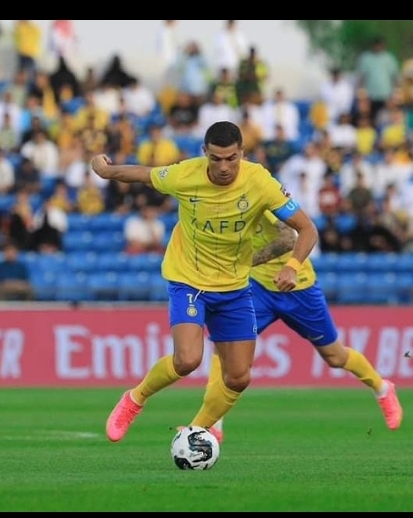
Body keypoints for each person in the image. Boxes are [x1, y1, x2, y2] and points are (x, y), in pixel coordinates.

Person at [88, 120, 319, 443]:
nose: (224, 166)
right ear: (204, 154)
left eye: (232, 158)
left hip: (235, 287)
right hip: (189, 280)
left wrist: (293, 266)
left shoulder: (261, 182)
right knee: (187, 360)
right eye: (216, 158)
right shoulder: (185, 174)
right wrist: (105, 170)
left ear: (242, 153)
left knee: (238, 377)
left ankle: (197, 430)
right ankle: (134, 399)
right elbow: (143, 173)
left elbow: (307, 228)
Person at [199, 211, 403, 444]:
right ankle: (213, 425)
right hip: (260, 288)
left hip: (298, 289)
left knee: (335, 357)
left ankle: (382, 388)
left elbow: (288, 239)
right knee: (224, 347)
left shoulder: (263, 194)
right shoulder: (225, 200)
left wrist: (243, 262)